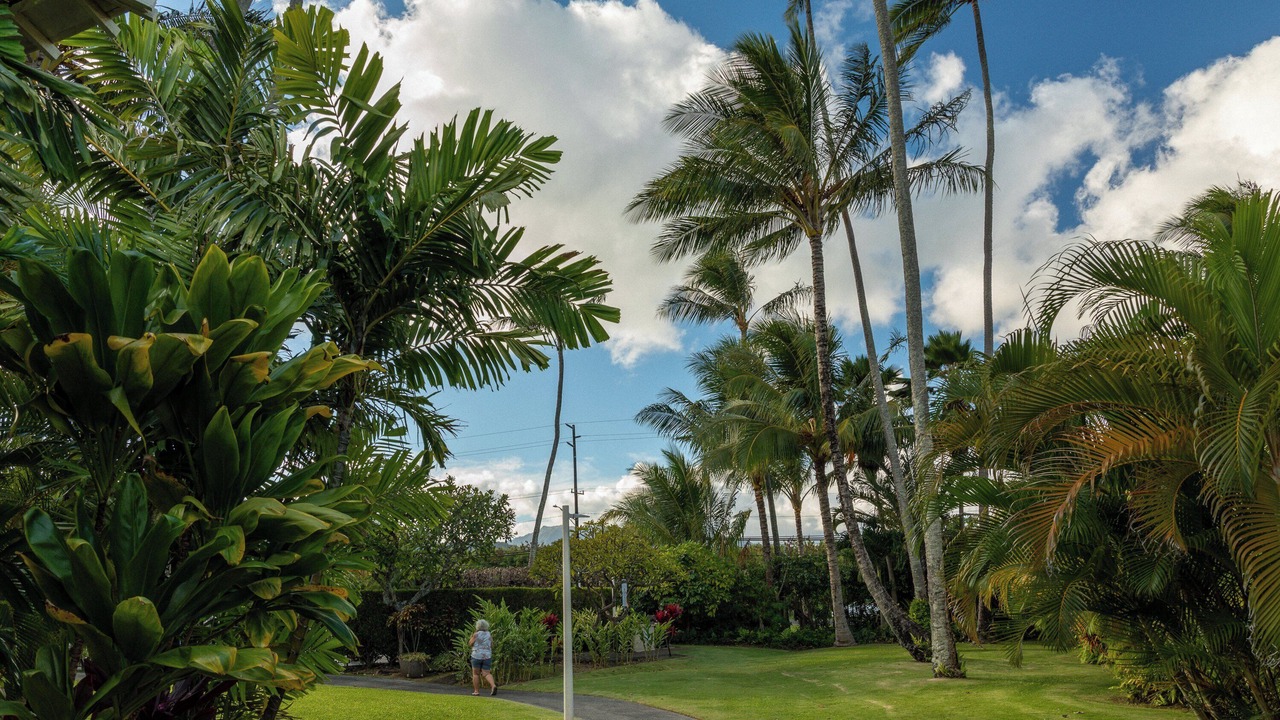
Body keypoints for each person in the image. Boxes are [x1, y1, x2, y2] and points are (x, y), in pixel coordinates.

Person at [469, 619, 497, 696]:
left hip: (476, 656)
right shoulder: (489, 634)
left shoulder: (476, 634)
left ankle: (476, 691)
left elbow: (470, 643)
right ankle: (493, 685)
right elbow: (492, 645)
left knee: (476, 674)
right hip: (487, 656)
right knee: (486, 673)